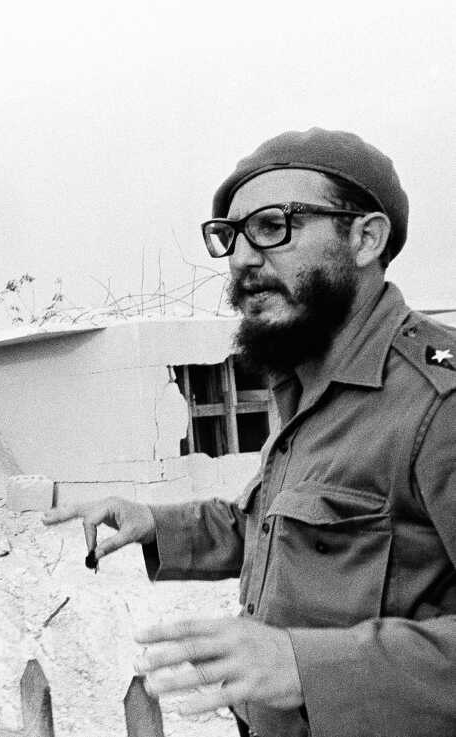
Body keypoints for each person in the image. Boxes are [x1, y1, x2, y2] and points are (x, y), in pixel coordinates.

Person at [44, 128, 456, 737]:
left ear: (366, 237)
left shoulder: (436, 404)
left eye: (273, 226)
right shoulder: (306, 386)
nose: (241, 258)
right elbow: (281, 528)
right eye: (230, 236)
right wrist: (156, 523)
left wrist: (304, 664)